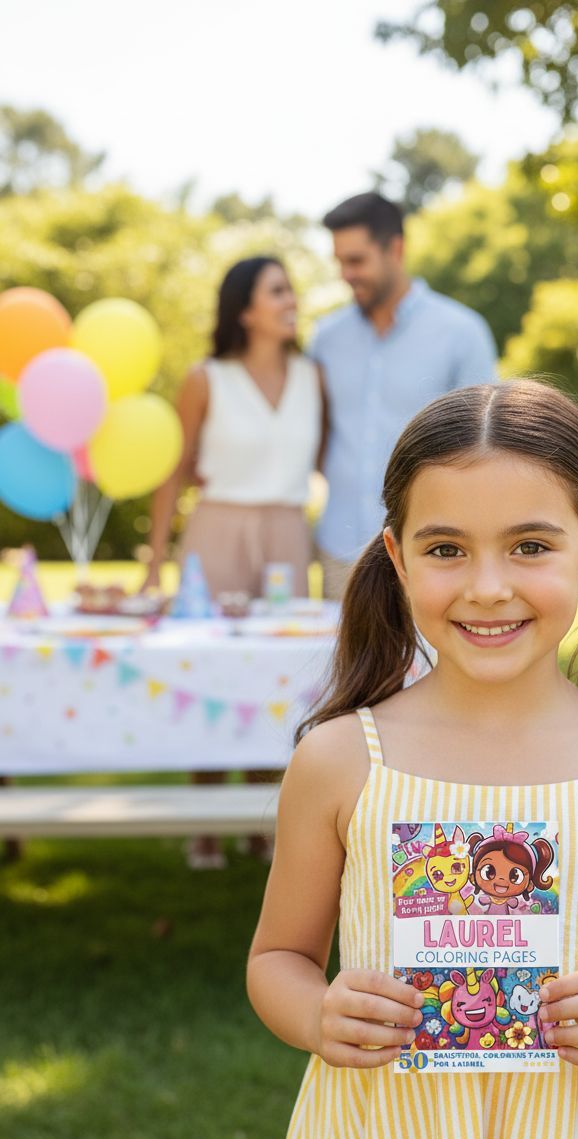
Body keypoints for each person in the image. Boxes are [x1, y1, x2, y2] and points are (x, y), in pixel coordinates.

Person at [247, 379, 578, 1139]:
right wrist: (318, 1013)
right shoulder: (341, 761)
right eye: (447, 549)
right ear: (395, 556)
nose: (488, 587)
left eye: (530, 545)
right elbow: (278, 956)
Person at [146, 255, 323, 868]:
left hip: (286, 533)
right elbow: (172, 470)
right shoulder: (206, 378)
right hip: (218, 526)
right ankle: (205, 825)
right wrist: (153, 563)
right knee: (209, 667)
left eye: (290, 288)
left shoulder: (312, 376)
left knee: (280, 673)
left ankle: (261, 819)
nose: (291, 299)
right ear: (244, 309)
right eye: (277, 290)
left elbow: (320, 455)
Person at [310, 191, 497, 598]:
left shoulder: (462, 333)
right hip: (340, 551)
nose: (346, 274)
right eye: (339, 262)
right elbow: (317, 432)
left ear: (395, 248)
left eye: (356, 260)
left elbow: (487, 446)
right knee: (342, 664)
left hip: (431, 555)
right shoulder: (325, 338)